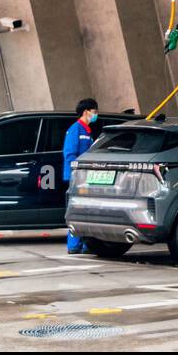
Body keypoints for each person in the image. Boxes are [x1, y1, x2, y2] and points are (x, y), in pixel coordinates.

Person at [63, 98, 99, 254]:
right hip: (77, 178)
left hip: (86, 178)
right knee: (76, 210)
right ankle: (73, 245)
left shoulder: (87, 131)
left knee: (86, 211)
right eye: (94, 111)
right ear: (87, 112)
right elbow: (70, 155)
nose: (96, 115)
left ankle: (85, 244)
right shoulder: (75, 130)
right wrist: (77, 174)